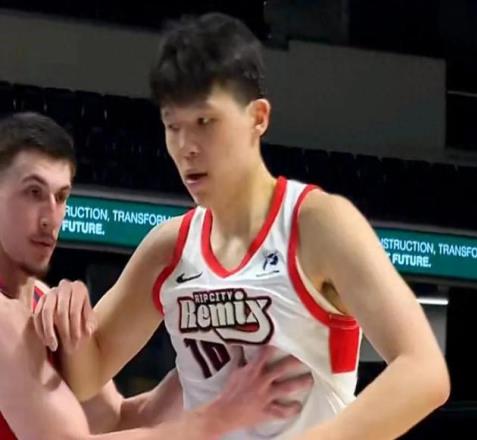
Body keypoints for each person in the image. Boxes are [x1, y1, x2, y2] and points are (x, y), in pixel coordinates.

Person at [35, 12, 450, 439]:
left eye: (204, 122)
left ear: (258, 117)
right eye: (173, 126)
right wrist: (68, 313)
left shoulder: (317, 224)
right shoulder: (169, 247)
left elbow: (424, 371)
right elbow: (87, 376)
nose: (186, 147)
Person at [0, 112, 312, 440]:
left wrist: (207, 364)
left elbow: (117, 421)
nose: (50, 217)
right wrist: (217, 417)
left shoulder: (42, 301)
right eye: (33, 192)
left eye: (61, 196)